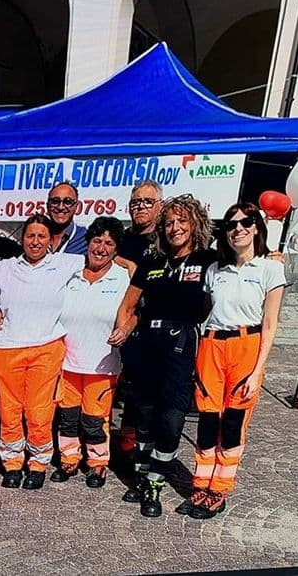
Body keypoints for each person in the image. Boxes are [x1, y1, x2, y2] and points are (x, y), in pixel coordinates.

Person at [177, 203, 285, 519]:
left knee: (233, 424)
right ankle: (200, 486)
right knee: (208, 420)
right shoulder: (215, 271)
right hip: (212, 346)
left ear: (256, 227)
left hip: (246, 346)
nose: (238, 228)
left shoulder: (270, 268)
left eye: (246, 222)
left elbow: (270, 324)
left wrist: (258, 369)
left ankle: (219, 491)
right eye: (231, 224)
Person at [110, 194, 215, 517]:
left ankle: (156, 482)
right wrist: (124, 334)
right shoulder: (152, 263)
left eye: (182, 221)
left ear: (195, 223)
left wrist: (274, 258)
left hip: (182, 346)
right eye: (169, 222)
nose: (175, 228)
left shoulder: (209, 260)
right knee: (144, 417)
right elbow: (128, 306)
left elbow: (244, 262)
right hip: (146, 345)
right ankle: (143, 477)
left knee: (170, 421)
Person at [0, 214, 84, 490]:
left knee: (39, 412)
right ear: (22, 238)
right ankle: (12, 463)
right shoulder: (3, 268)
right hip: (7, 349)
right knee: (9, 411)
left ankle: (39, 462)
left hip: (46, 348)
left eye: (42, 236)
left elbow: (106, 261)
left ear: (51, 240)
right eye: (30, 235)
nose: (35, 241)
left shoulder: (66, 263)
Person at [51, 216, 134, 488]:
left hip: (102, 363)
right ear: (87, 243)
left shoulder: (124, 276)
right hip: (67, 361)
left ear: (116, 248)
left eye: (109, 243)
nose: (101, 248)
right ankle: (69, 458)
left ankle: (97, 464)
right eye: (97, 241)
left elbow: (137, 311)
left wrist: (128, 328)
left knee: (94, 418)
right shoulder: (70, 272)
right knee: (68, 416)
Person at [115, 180, 164, 463]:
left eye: (147, 202)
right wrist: (125, 262)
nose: (140, 207)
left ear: (160, 206)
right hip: (116, 321)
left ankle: (136, 452)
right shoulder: (122, 238)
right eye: (135, 202)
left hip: (149, 326)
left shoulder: (166, 238)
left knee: (141, 397)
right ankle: (114, 443)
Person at [46, 181, 87, 255]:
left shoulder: (86, 238)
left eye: (68, 202)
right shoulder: (37, 236)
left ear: (76, 206)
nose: (60, 207)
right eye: (55, 201)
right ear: (47, 205)